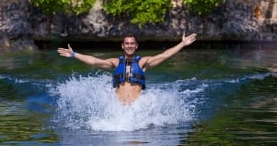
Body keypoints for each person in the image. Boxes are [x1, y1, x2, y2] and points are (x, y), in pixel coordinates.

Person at [57, 33, 197, 104]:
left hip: (137, 110)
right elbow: (94, 62)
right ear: (122, 46)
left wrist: (182, 44)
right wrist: (74, 54)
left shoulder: (143, 62)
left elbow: (165, 55)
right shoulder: (115, 62)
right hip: (118, 110)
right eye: (127, 43)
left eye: (132, 43)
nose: (129, 46)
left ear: (136, 46)